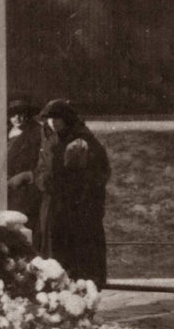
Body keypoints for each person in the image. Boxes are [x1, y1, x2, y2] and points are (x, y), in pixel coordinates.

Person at [34, 99, 110, 289]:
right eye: (49, 119)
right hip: (53, 207)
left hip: (76, 208)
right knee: (53, 256)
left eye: (57, 118)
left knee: (78, 258)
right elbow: (40, 168)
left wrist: (74, 182)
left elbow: (99, 173)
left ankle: (79, 298)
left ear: (67, 119)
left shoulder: (83, 139)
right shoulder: (49, 139)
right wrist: (43, 181)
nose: (53, 123)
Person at [6, 97, 42, 237]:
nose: (17, 118)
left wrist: (26, 175)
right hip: (6, 186)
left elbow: (44, 163)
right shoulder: (4, 132)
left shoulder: (37, 134)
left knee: (21, 225)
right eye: (13, 114)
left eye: (22, 114)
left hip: (25, 189)